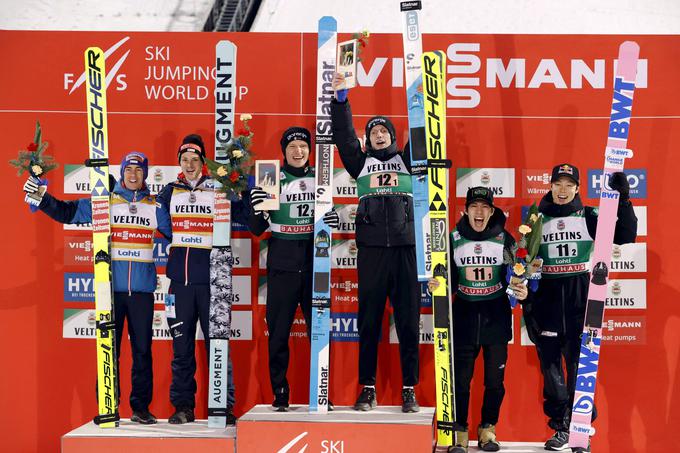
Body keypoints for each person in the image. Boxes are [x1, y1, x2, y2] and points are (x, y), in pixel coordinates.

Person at [22, 152, 172, 424]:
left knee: (142, 352)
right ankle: (108, 406)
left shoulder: (155, 206)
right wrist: (41, 198)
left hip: (141, 294)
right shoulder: (106, 202)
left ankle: (140, 408)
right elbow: (68, 213)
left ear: (145, 175)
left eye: (139, 170)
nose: (133, 175)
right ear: (123, 172)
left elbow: (180, 233)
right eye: (129, 169)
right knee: (108, 349)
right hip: (110, 292)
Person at [522, 164, 637, 452]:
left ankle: (579, 430)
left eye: (568, 185)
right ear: (549, 186)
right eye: (557, 184)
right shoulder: (536, 217)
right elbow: (524, 257)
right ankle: (561, 425)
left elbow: (624, 235)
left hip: (579, 296)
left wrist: (623, 199)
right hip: (546, 297)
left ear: (577, 188)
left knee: (578, 368)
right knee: (551, 372)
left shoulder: (587, 215)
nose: (562, 190)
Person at [331, 73, 420, 413]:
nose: (379, 135)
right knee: (368, 321)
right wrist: (341, 101)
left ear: (392, 137)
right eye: (373, 132)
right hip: (370, 251)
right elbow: (342, 136)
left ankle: (408, 388)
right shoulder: (360, 162)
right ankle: (367, 388)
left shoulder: (408, 160)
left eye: (384, 131)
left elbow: (422, 132)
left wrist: (421, 98)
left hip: (406, 249)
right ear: (367, 140)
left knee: (409, 322)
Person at [248, 127, 339, 411]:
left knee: (320, 331)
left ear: (310, 150)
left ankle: (321, 393)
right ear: (283, 150)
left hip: (316, 263)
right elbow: (256, 229)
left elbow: (328, 221)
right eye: (292, 146)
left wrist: (332, 219)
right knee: (278, 334)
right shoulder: (271, 178)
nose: (298, 151)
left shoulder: (320, 179)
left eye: (303, 146)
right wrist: (255, 210)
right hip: (282, 264)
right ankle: (280, 393)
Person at [429, 187, 527, 452]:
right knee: (460, 379)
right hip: (464, 314)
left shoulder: (505, 239)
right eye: (474, 207)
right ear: (466, 210)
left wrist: (522, 286)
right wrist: (436, 284)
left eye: (485, 207)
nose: (479, 212)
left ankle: (488, 430)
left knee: (494, 381)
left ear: (492, 211)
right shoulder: (454, 238)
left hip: (495, 315)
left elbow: (515, 274)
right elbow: (445, 278)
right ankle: (459, 432)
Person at [157, 134, 243, 425]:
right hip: (179, 284)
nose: (190, 164)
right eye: (185, 159)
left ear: (204, 162)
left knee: (218, 346)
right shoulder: (169, 192)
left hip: (212, 283)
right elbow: (165, 228)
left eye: (195, 159)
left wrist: (242, 181)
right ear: (179, 162)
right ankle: (183, 407)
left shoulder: (220, 188)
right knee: (181, 350)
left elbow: (243, 206)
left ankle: (222, 406)